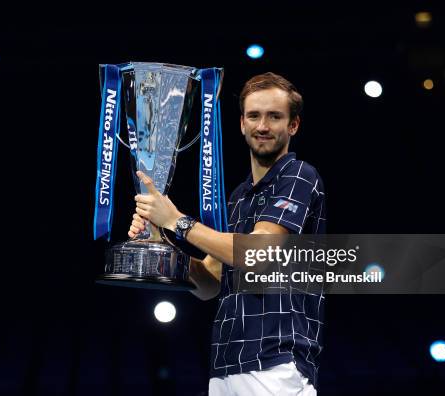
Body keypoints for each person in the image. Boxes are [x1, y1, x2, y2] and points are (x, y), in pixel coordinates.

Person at [128, 72, 326, 395]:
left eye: (274, 116)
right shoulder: (239, 197)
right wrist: (163, 242)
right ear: (242, 125)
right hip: (224, 368)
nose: (262, 125)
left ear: (293, 126)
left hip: (276, 363)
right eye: (254, 116)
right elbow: (209, 282)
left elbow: (256, 255)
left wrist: (177, 220)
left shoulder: (300, 176)